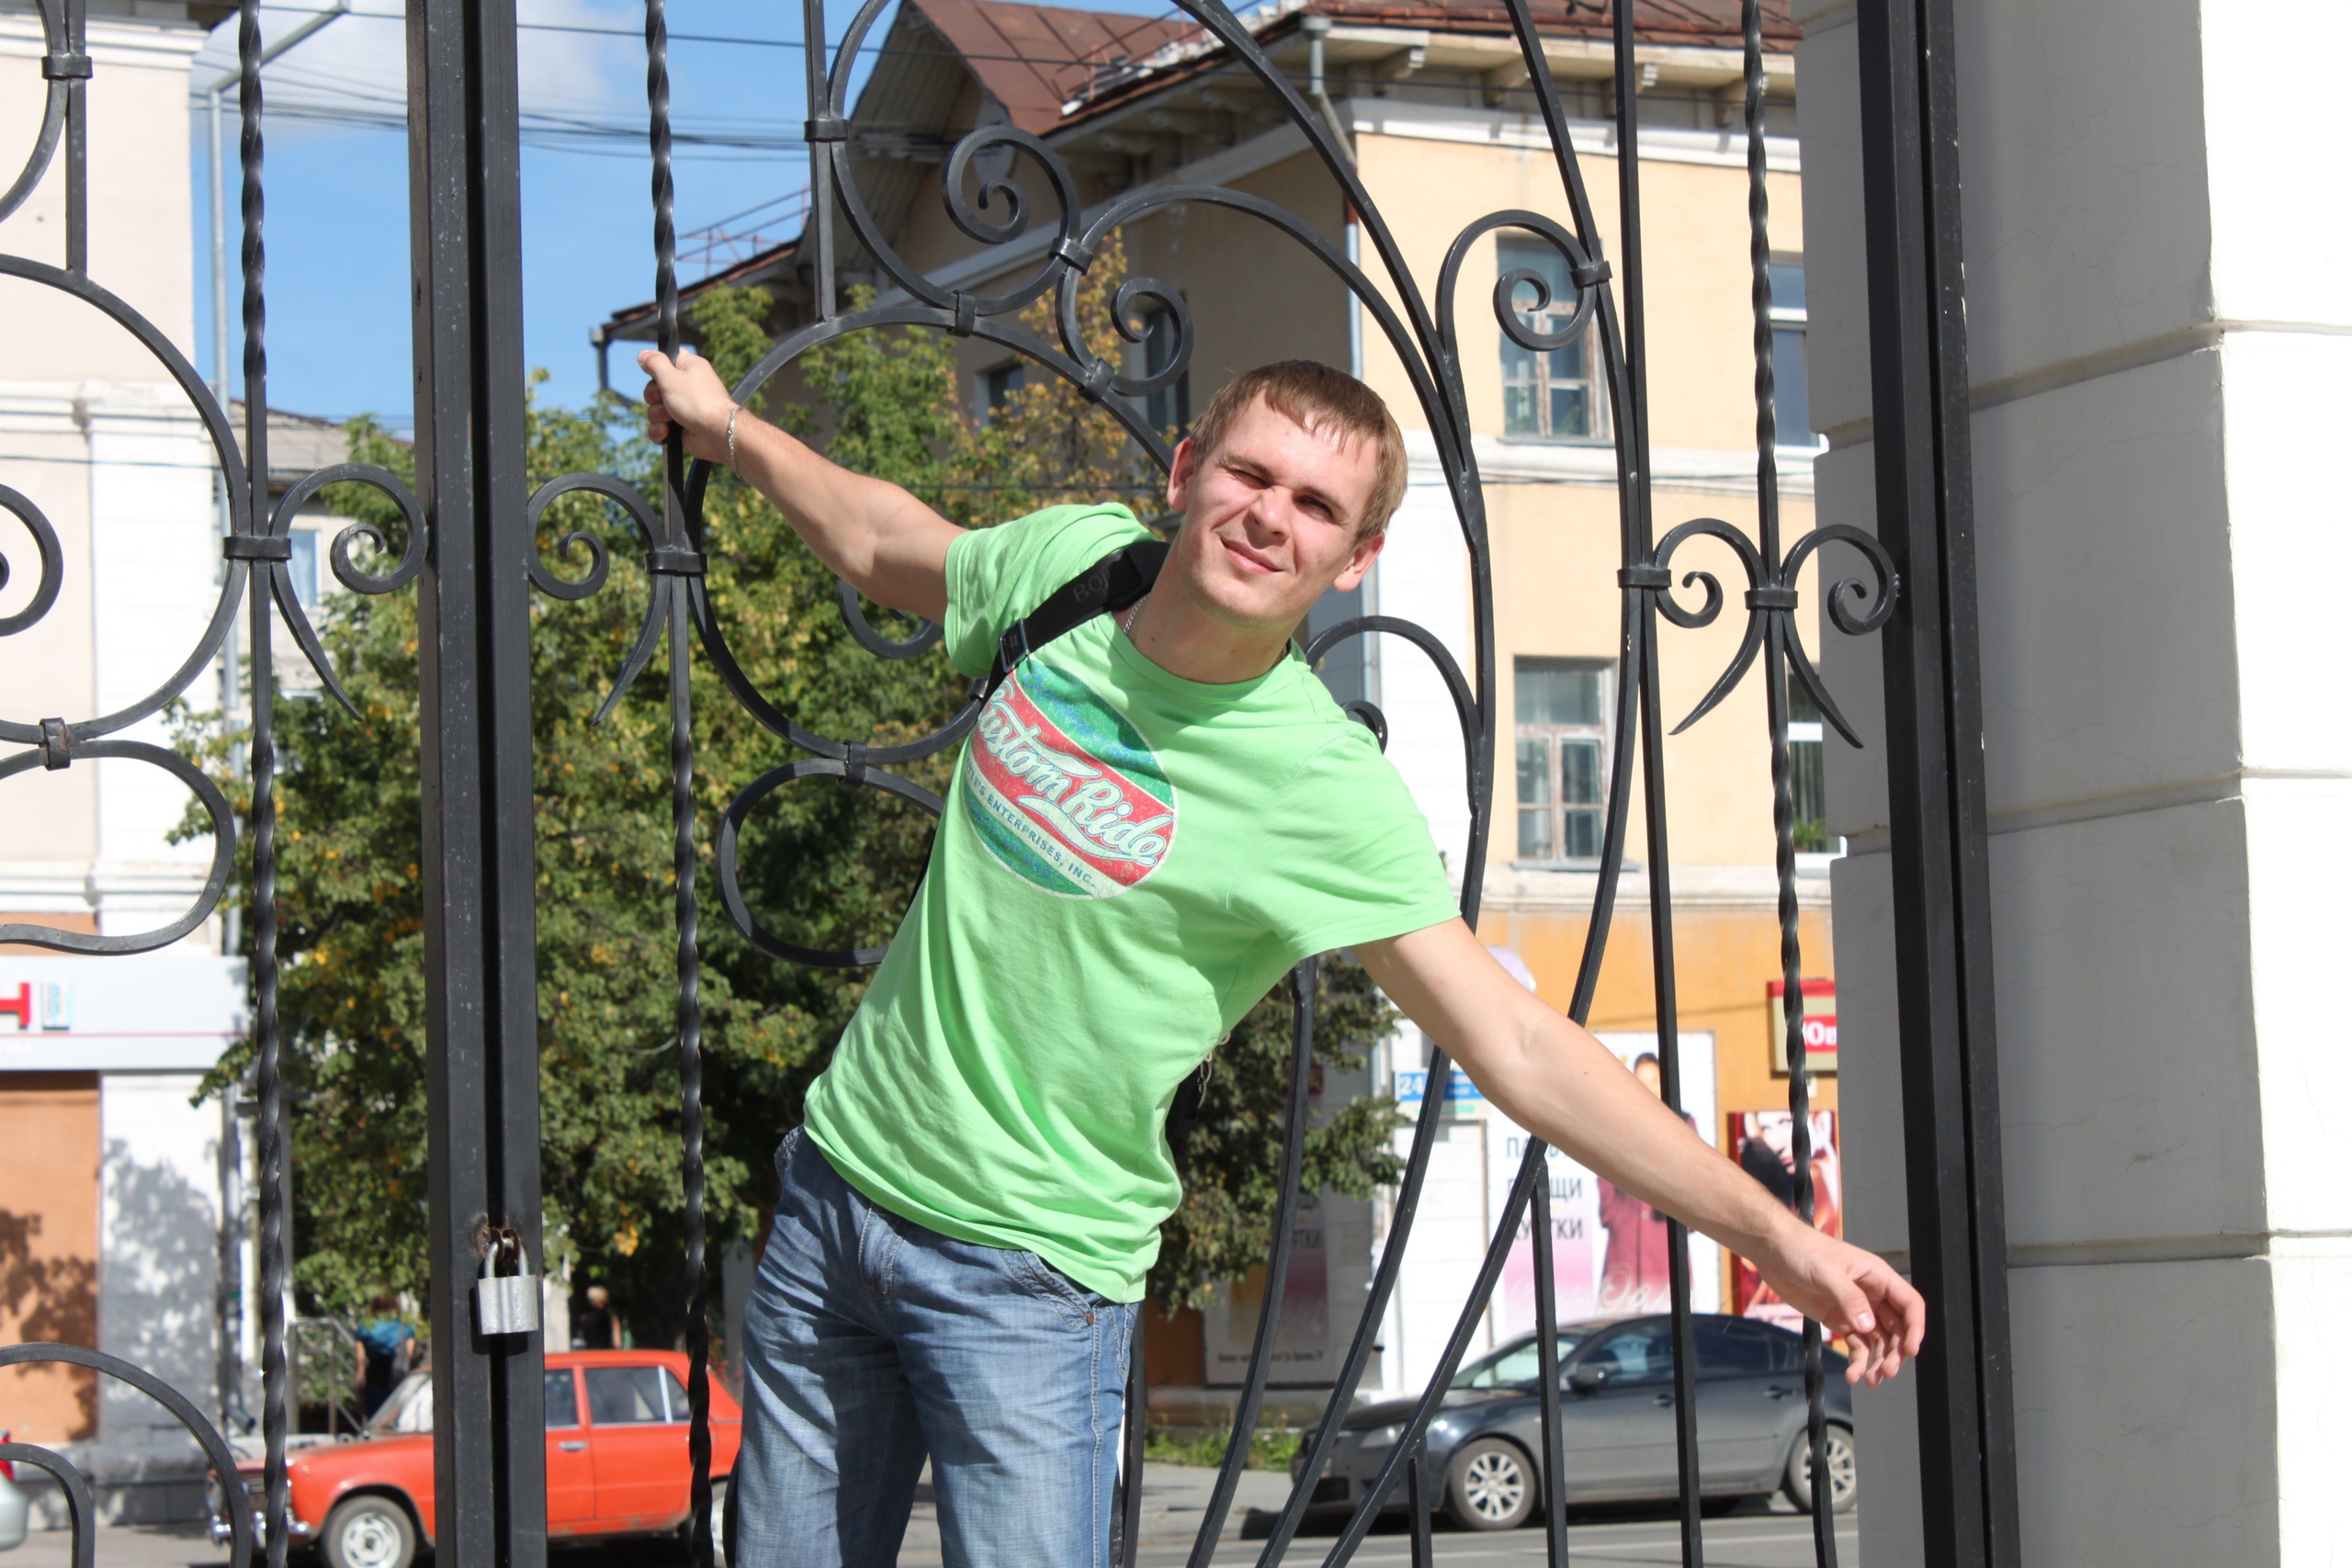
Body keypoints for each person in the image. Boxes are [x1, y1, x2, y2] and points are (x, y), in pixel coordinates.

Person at [638, 350, 1926, 1568]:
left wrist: (1783, 1243)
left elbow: (1521, 1046)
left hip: (1026, 1279)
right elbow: (883, 539)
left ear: (1356, 556)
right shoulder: (1073, 569)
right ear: (1185, 470)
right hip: (835, 1199)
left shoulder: (1321, 787)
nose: (1269, 517)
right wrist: (731, 431)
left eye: (1315, 505)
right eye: (1249, 474)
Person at [352, 1294, 416, 1418]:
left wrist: (359, 1394)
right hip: (399, 1384)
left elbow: (360, 1361)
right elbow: (409, 1355)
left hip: (374, 1383)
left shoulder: (365, 1328)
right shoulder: (405, 1328)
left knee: (376, 1424)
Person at [571, 1283, 621, 1350]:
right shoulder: (611, 1318)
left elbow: (584, 1339)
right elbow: (617, 1343)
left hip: (590, 1354)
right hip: (607, 1354)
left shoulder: (584, 1318)